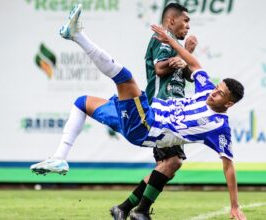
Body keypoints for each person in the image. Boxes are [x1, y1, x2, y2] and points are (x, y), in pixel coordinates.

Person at [31, 3, 246, 220]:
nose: (213, 93)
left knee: (125, 78)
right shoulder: (206, 89)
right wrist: (171, 41)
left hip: (147, 126)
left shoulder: (219, 127)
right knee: (82, 103)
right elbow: (194, 63)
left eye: (219, 94)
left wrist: (235, 206)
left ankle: (77, 35)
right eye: (217, 88)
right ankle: (59, 158)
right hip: (142, 119)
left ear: (228, 104)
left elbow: (229, 167)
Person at [110, 3, 198, 220]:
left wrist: (187, 53)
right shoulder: (163, 38)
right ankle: (139, 211)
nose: (188, 25)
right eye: (185, 20)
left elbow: (186, 75)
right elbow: (160, 68)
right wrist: (181, 55)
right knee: (173, 162)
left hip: (174, 109)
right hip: (162, 108)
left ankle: (123, 208)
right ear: (171, 20)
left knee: (166, 166)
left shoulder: (175, 44)